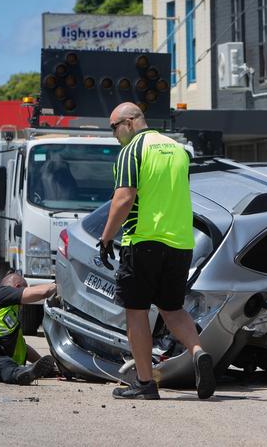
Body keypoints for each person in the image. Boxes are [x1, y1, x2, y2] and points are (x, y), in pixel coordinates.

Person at [98, 102, 215, 400]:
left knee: (136, 312)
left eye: (113, 127)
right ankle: (198, 351)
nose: (113, 135)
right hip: (180, 242)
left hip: (143, 240)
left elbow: (124, 199)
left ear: (129, 121)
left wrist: (106, 237)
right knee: (172, 308)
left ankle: (145, 383)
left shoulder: (132, 150)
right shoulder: (178, 149)